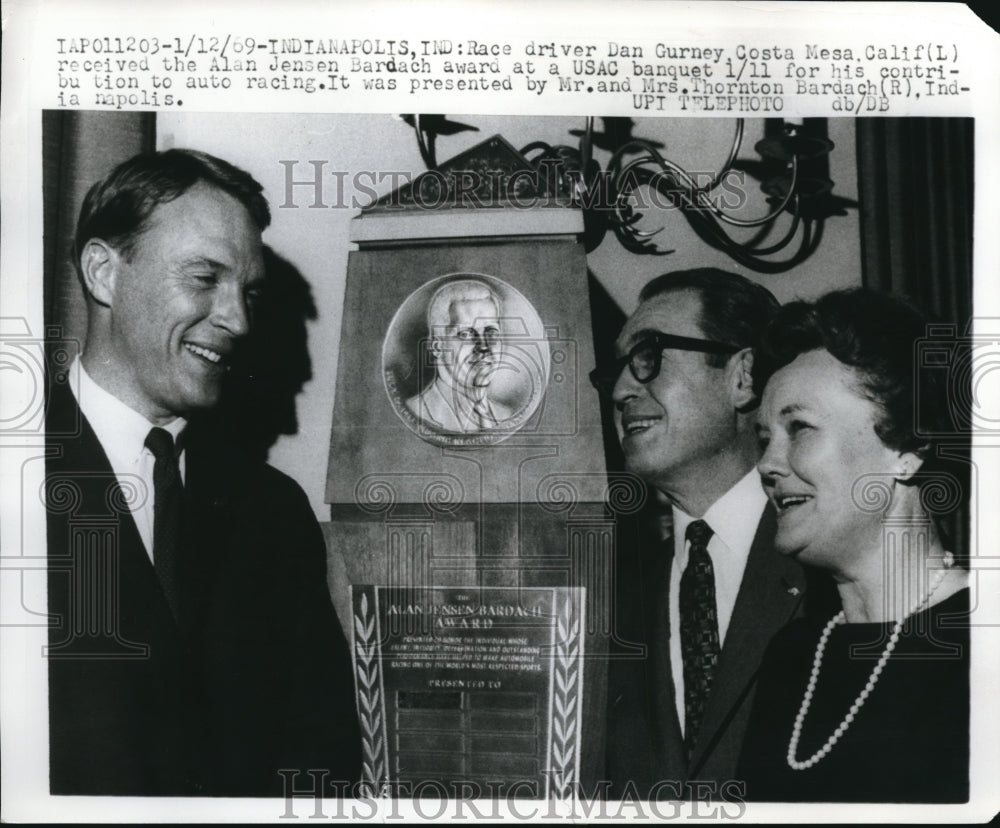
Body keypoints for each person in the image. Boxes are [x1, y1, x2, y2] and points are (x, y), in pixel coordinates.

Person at [45, 149, 361, 796]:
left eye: (248, 292)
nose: (238, 321)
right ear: (104, 273)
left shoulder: (273, 511)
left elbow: (320, 757)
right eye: (203, 278)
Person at [597, 269, 827, 797]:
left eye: (649, 355)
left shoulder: (833, 569)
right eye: (617, 369)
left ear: (742, 376)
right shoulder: (607, 602)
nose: (622, 389)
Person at [736, 288, 969, 802]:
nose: (766, 466)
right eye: (763, 438)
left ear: (906, 448)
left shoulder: (982, 650)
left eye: (799, 428)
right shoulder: (791, 658)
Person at [405, 279, 516, 432]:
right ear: (437, 347)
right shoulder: (417, 412)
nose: (483, 346)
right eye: (466, 334)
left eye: (491, 332)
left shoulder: (505, 415)